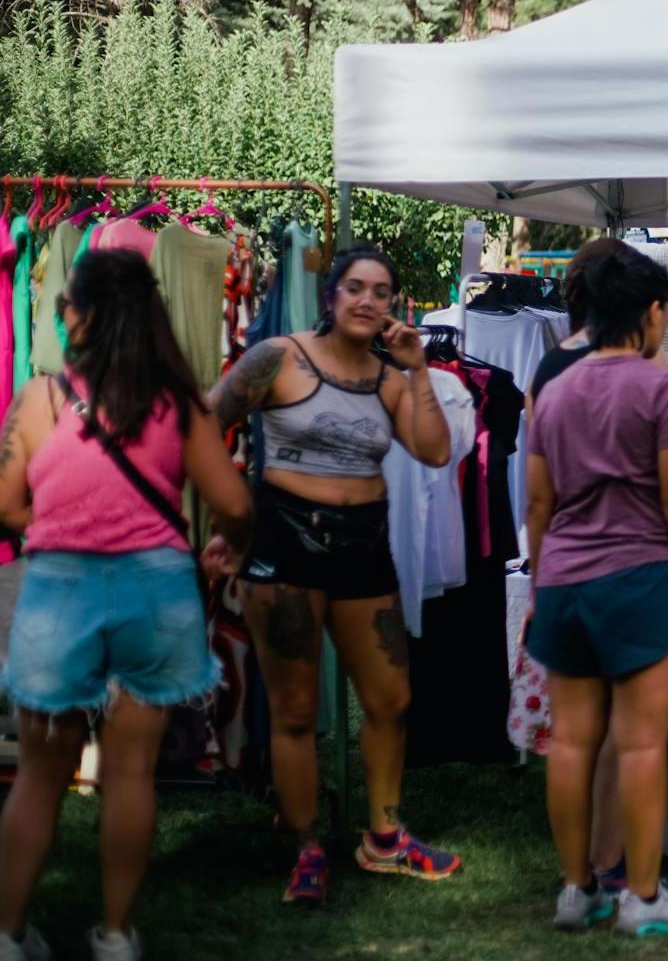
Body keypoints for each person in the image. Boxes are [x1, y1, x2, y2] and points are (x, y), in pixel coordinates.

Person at [0, 249, 253, 961]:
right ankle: (115, 934)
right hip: (156, 591)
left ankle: (8, 934)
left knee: (41, 776)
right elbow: (233, 502)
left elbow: (4, 505)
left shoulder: (40, 401)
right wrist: (227, 548)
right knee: (131, 773)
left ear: (76, 315)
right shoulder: (177, 402)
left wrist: (59, 528)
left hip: (60, 593)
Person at [210, 245, 456, 907]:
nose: (367, 301)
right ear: (331, 296)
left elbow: (435, 449)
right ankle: (307, 847)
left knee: (391, 700)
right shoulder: (277, 359)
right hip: (283, 544)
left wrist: (419, 369)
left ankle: (384, 838)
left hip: (363, 549)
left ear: (393, 307)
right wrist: (226, 523)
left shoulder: (389, 379)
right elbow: (206, 423)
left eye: (380, 292)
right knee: (295, 711)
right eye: (354, 287)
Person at [524, 246, 668, 937]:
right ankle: (641, 895)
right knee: (640, 746)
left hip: (565, 581)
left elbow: (538, 504)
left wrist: (542, 588)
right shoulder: (660, 387)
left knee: (571, 743)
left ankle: (576, 891)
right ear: (651, 311)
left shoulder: (552, 391)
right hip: (640, 579)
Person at [521, 237, 633, 899]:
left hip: (562, 552)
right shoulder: (626, 363)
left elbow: (538, 488)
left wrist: (538, 571)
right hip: (621, 552)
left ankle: (577, 872)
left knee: (574, 734)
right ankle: (610, 857)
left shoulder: (547, 367)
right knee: (620, 732)